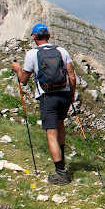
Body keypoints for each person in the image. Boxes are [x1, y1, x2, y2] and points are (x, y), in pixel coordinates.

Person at [12, 23, 76, 185]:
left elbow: (24, 80)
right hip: (64, 95)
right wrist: (72, 95)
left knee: (51, 134)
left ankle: (60, 174)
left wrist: (18, 68)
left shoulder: (32, 54)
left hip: (48, 97)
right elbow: (72, 77)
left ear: (34, 37)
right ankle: (63, 165)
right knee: (61, 125)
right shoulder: (62, 51)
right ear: (48, 35)